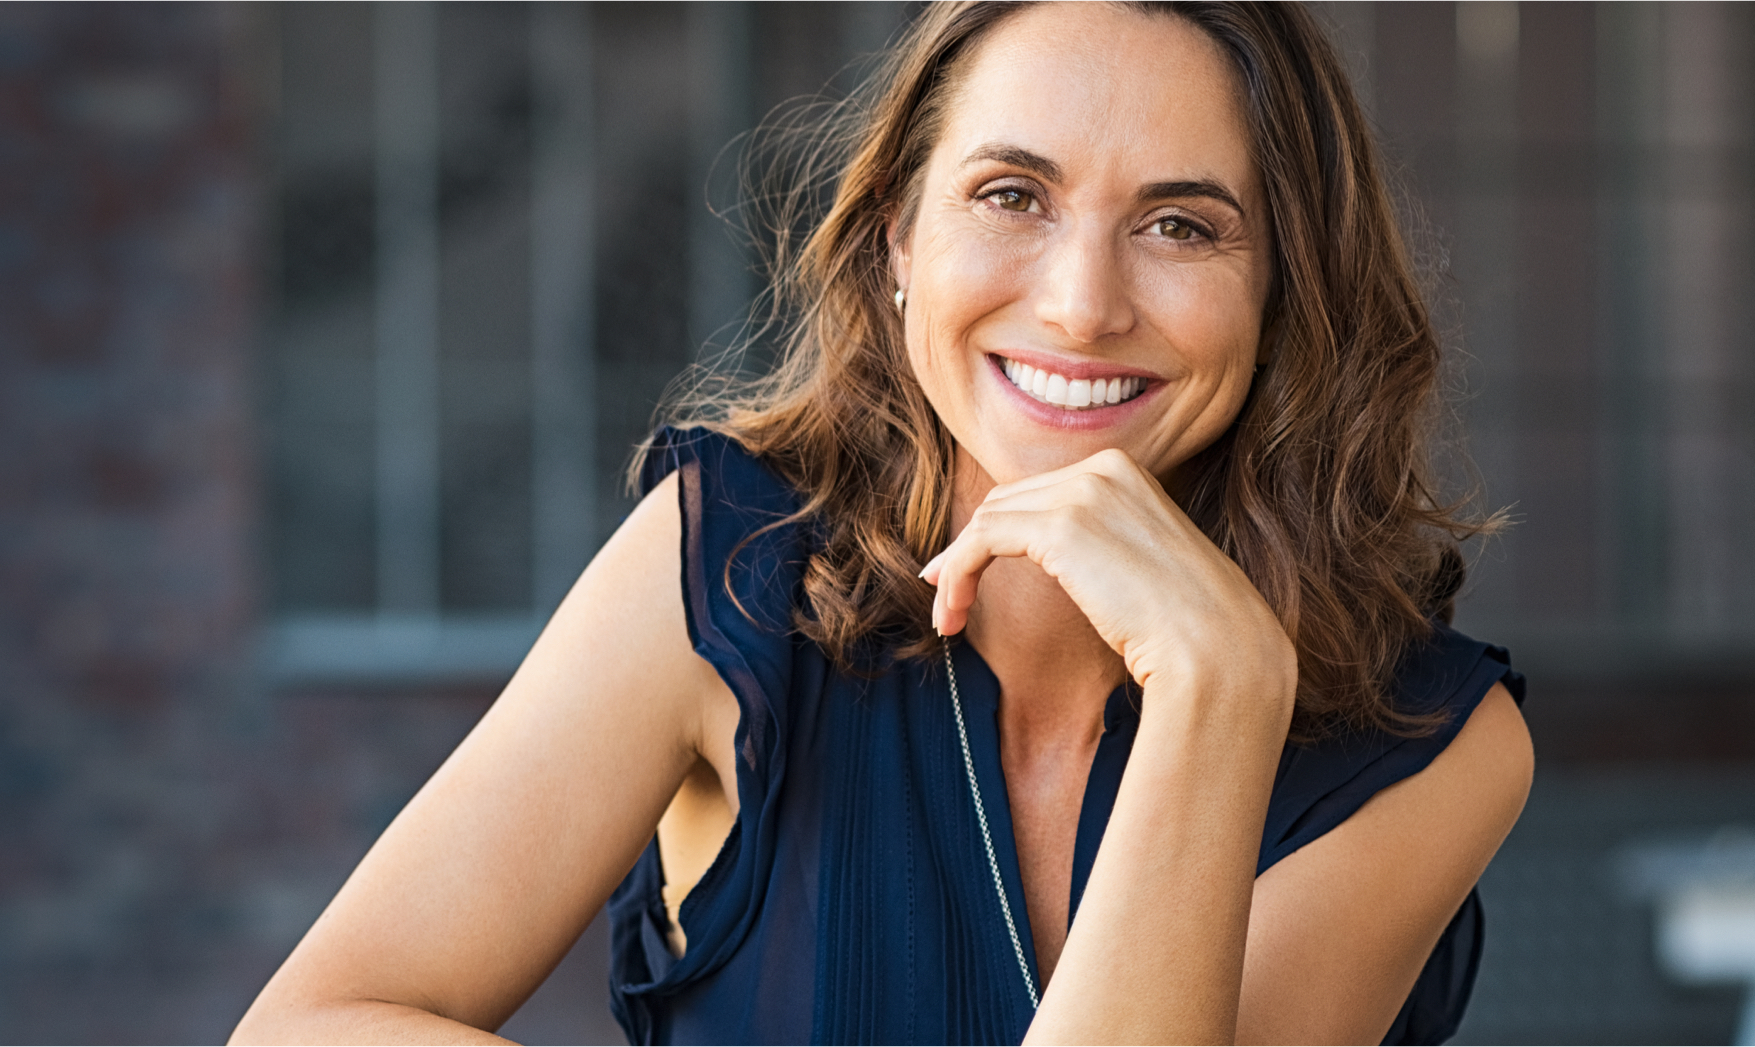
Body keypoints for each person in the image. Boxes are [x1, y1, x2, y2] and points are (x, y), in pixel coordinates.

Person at [231, 3, 1533, 1044]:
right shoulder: (726, 562)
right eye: (1012, 195)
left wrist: (1214, 693)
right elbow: (314, 1024)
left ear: (1282, 290)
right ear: (899, 237)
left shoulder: (1436, 742)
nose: (1083, 306)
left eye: (1182, 226)